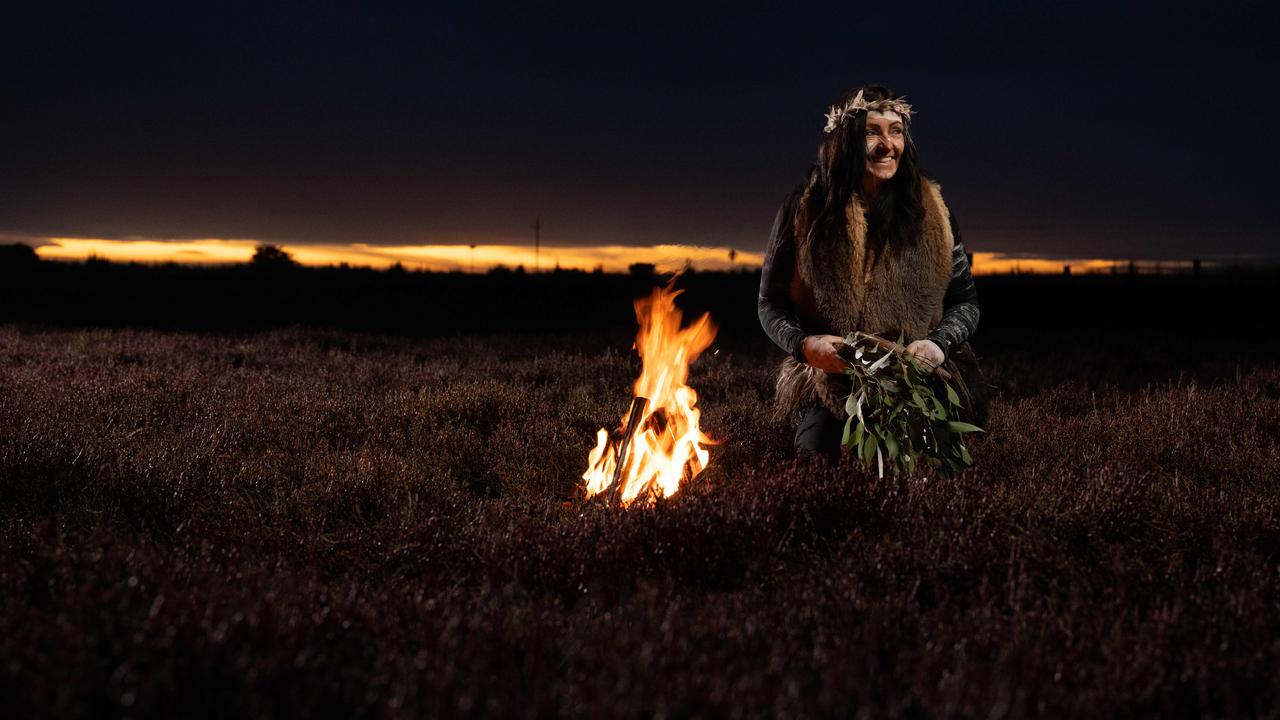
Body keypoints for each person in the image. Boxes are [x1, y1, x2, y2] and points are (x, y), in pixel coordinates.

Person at [757, 84, 987, 458]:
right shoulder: (803, 211)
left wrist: (937, 345)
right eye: (872, 131)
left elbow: (966, 303)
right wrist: (805, 346)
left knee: (929, 469)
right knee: (818, 458)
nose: (887, 144)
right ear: (844, 142)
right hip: (833, 381)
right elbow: (770, 303)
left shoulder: (934, 213)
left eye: (896, 131)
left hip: (916, 380)